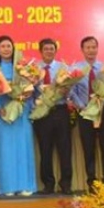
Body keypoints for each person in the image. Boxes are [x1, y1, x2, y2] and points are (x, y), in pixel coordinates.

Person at [0, 36, 36, 197]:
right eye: (2, 46)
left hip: (22, 110)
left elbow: (31, 86)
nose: (6, 49)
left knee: (23, 147)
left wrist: (27, 93)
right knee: (7, 150)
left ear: (13, 48)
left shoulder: (22, 67)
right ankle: (8, 186)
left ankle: (26, 185)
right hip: (4, 113)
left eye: (8, 46)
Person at [71, 36, 104, 189]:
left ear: (97, 48)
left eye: (93, 47)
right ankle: (92, 181)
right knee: (88, 148)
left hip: (103, 111)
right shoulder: (76, 69)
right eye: (88, 47)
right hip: (85, 112)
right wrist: (81, 106)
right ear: (82, 50)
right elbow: (72, 90)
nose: (91, 50)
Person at [33, 38, 74, 195]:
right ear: (41, 51)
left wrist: (66, 91)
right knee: (45, 149)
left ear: (55, 51)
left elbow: (70, 90)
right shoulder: (34, 70)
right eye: (46, 49)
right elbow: (29, 91)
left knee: (65, 149)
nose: (49, 51)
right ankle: (48, 184)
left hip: (60, 110)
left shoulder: (63, 68)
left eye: (51, 49)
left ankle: (66, 183)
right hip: (42, 112)